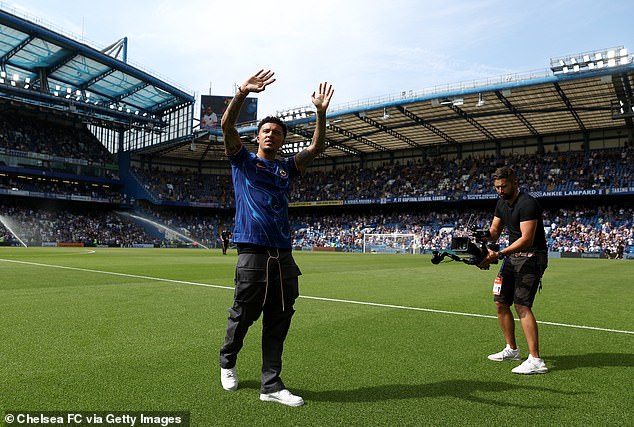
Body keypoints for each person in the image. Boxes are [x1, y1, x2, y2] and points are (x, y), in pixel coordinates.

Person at [218, 69, 334, 406]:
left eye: (277, 132)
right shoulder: (242, 161)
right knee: (243, 314)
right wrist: (242, 92)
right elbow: (226, 127)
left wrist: (321, 113)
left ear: (283, 140)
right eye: (266, 131)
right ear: (257, 137)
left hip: (282, 254)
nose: (271, 135)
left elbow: (316, 147)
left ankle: (271, 385)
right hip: (252, 252)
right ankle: (227, 361)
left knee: (279, 319)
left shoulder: (286, 168)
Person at [478, 166, 549, 374]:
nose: (500, 190)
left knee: (521, 305)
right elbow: (494, 232)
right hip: (512, 257)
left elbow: (527, 239)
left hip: (532, 256)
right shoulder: (501, 203)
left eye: (504, 186)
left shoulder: (528, 203)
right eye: (497, 187)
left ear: (514, 183)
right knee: (501, 302)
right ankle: (512, 349)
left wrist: (498, 254)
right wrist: (481, 236)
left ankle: (536, 360)